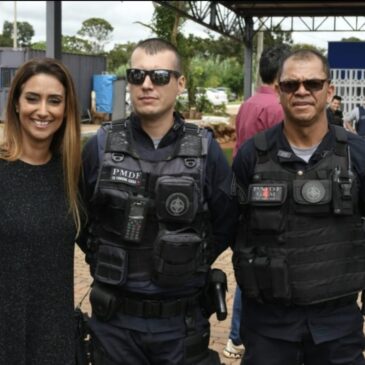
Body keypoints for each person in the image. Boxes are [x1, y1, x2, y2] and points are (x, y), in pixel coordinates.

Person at [80, 38, 237, 365]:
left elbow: (226, 222)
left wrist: (187, 258)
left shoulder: (206, 152)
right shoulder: (100, 146)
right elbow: (80, 219)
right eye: (137, 76)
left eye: (160, 76)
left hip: (180, 324)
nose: (147, 85)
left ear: (180, 84)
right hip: (115, 323)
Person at [232, 48, 365, 365]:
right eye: (291, 85)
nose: (302, 91)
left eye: (313, 84)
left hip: (337, 326)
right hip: (268, 326)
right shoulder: (251, 156)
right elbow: (229, 226)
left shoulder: (358, 155)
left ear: (328, 90)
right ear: (278, 91)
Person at [0, 58, 82, 364]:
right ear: (17, 104)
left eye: (55, 100)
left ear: (66, 108)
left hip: (54, 342)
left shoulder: (74, 175)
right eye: (32, 98)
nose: (43, 111)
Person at [224, 44, 291, 360]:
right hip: (269, 200)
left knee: (250, 265)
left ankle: (237, 336)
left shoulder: (248, 104)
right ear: (282, 75)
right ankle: (240, 334)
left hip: (244, 193)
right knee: (264, 269)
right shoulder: (278, 108)